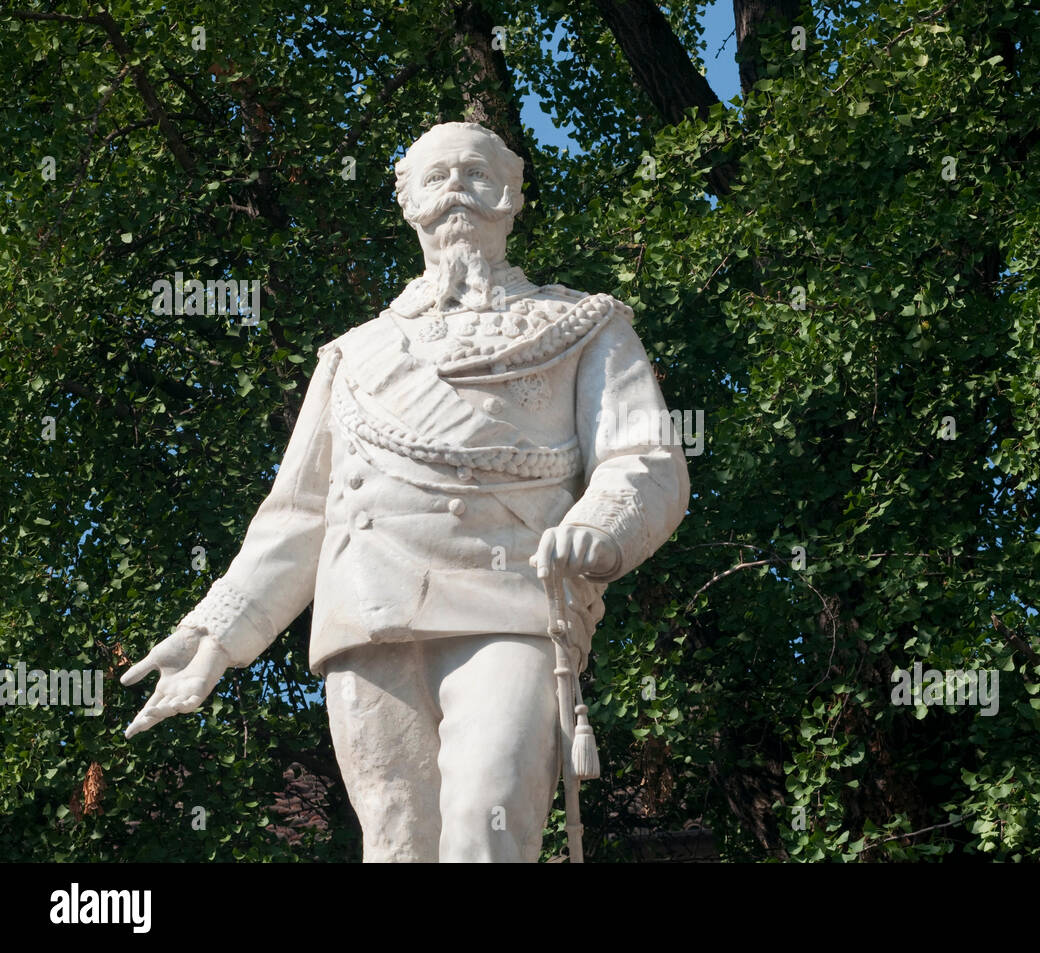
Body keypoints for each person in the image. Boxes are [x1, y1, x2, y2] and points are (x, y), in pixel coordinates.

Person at [122, 122, 691, 862]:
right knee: (396, 841)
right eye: (436, 177)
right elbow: (297, 515)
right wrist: (217, 634)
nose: (457, 189)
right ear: (407, 204)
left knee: (488, 815)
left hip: (511, 598)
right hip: (369, 607)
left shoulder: (585, 326)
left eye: (478, 174)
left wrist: (604, 525)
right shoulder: (354, 355)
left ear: (513, 195)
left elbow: (643, 456)